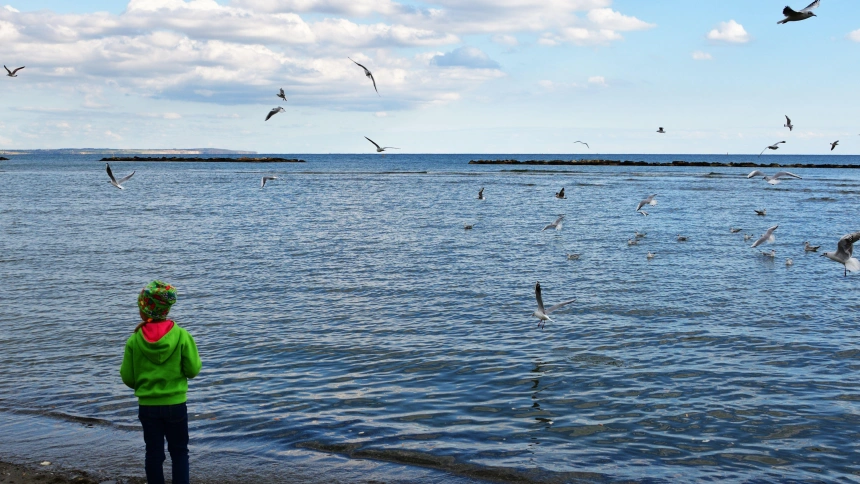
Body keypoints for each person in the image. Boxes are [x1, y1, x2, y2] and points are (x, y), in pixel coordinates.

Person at [121, 281, 202, 484]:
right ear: (166, 309)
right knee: (179, 452)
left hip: (148, 407)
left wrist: (146, 385)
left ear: (144, 310)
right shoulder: (182, 335)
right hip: (176, 404)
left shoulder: (134, 340)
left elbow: (128, 378)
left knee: (153, 453)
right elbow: (193, 370)